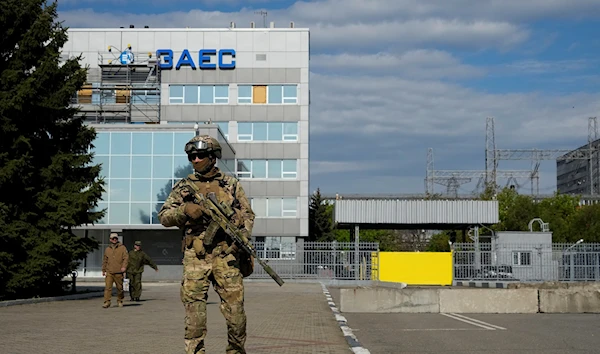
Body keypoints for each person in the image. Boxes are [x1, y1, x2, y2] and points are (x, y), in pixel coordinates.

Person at [158, 134, 255, 354]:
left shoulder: (231, 185)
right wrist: (184, 211)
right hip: (196, 258)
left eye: (200, 155)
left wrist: (242, 236)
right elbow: (164, 216)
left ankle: (236, 351)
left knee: (236, 316)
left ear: (213, 157)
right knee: (194, 316)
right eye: (192, 156)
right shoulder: (184, 187)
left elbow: (248, 215)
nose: (195, 160)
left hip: (227, 256)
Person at [102, 233, 129, 308]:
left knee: (120, 288)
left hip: (119, 272)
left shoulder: (122, 248)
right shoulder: (107, 249)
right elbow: (105, 260)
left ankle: (120, 300)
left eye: (116, 238)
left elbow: (126, 258)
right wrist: (103, 269)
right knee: (108, 288)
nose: (114, 240)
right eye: (113, 238)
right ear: (110, 239)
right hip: (109, 271)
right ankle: (107, 302)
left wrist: (124, 267)